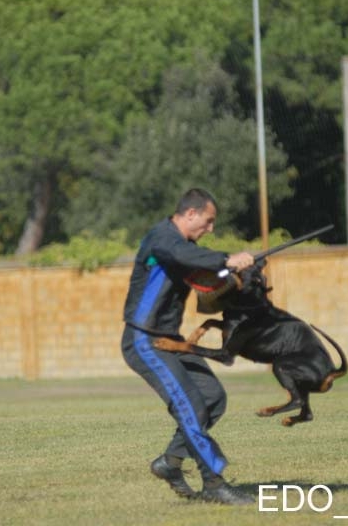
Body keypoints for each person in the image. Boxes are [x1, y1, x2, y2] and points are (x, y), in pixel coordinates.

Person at [121, 188, 255, 505]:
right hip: (144, 341)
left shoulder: (185, 248)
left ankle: (170, 462)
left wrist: (235, 272)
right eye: (208, 222)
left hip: (171, 340)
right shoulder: (162, 239)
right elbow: (186, 256)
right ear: (190, 213)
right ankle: (213, 484)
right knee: (192, 407)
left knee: (212, 398)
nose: (210, 228)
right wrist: (227, 258)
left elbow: (209, 279)